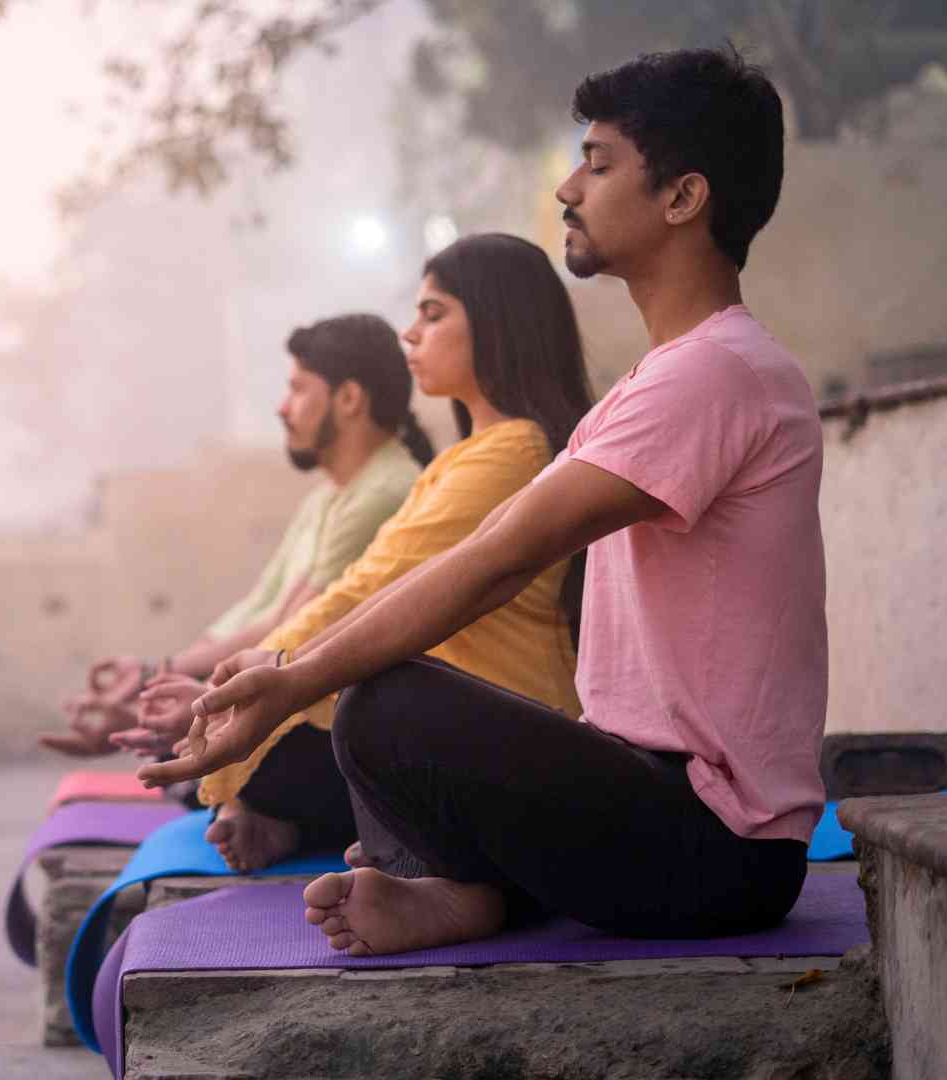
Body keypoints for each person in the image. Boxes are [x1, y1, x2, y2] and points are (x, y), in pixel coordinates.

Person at [141, 46, 823, 955]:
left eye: (600, 163)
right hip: (650, 799)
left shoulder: (717, 373)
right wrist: (286, 670)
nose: (570, 188)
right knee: (390, 701)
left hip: (718, 848)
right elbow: (471, 551)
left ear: (683, 198)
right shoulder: (657, 381)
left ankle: (454, 886)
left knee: (383, 701)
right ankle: (465, 890)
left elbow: (495, 560)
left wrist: (295, 680)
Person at [123, 233, 593, 872]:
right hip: (462, 721)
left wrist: (251, 685)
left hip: (506, 726)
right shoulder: (471, 456)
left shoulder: (513, 454)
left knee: (353, 722)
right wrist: (241, 683)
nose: (411, 334)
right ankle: (313, 826)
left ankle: (363, 841)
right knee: (299, 729)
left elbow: (376, 587)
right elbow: (351, 591)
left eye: (434, 314)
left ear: (497, 320)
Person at [38, 314, 430, 756]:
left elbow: (286, 629)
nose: (283, 407)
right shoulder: (326, 499)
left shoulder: (383, 492)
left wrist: (169, 689)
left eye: (298, 388)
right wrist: (155, 685)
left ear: (349, 398)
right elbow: (257, 611)